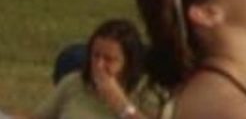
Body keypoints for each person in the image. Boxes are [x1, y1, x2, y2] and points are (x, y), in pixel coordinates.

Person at [24, 18, 156, 119]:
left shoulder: (145, 94)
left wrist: (120, 102)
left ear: (128, 63)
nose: (99, 65)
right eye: (95, 55)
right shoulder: (74, 82)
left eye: (109, 59)